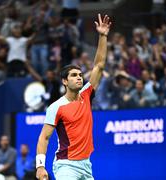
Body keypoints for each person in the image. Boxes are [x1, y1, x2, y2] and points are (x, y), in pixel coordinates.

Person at [35, 13, 111, 180]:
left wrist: (102, 36)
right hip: (66, 165)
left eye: (80, 75)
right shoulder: (56, 107)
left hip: (86, 165)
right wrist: (40, 166)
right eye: (74, 75)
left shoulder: (86, 94)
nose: (79, 77)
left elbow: (99, 65)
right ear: (64, 81)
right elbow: (44, 137)